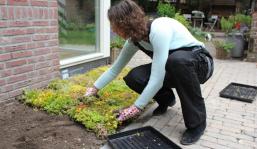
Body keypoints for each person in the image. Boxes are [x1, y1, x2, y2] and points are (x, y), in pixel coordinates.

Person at [85, 0, 214, 145]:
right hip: (176, 68)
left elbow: (157, 78)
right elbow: (115, 69)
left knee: (177, 61)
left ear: (125, 23)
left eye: (114, 24)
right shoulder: (134, 40)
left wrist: (136, 108)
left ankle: (197, 124)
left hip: (201, 65)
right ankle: (166, 99)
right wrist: (93, 89)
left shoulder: (159, 30)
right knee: (134, 77)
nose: (113, 29)